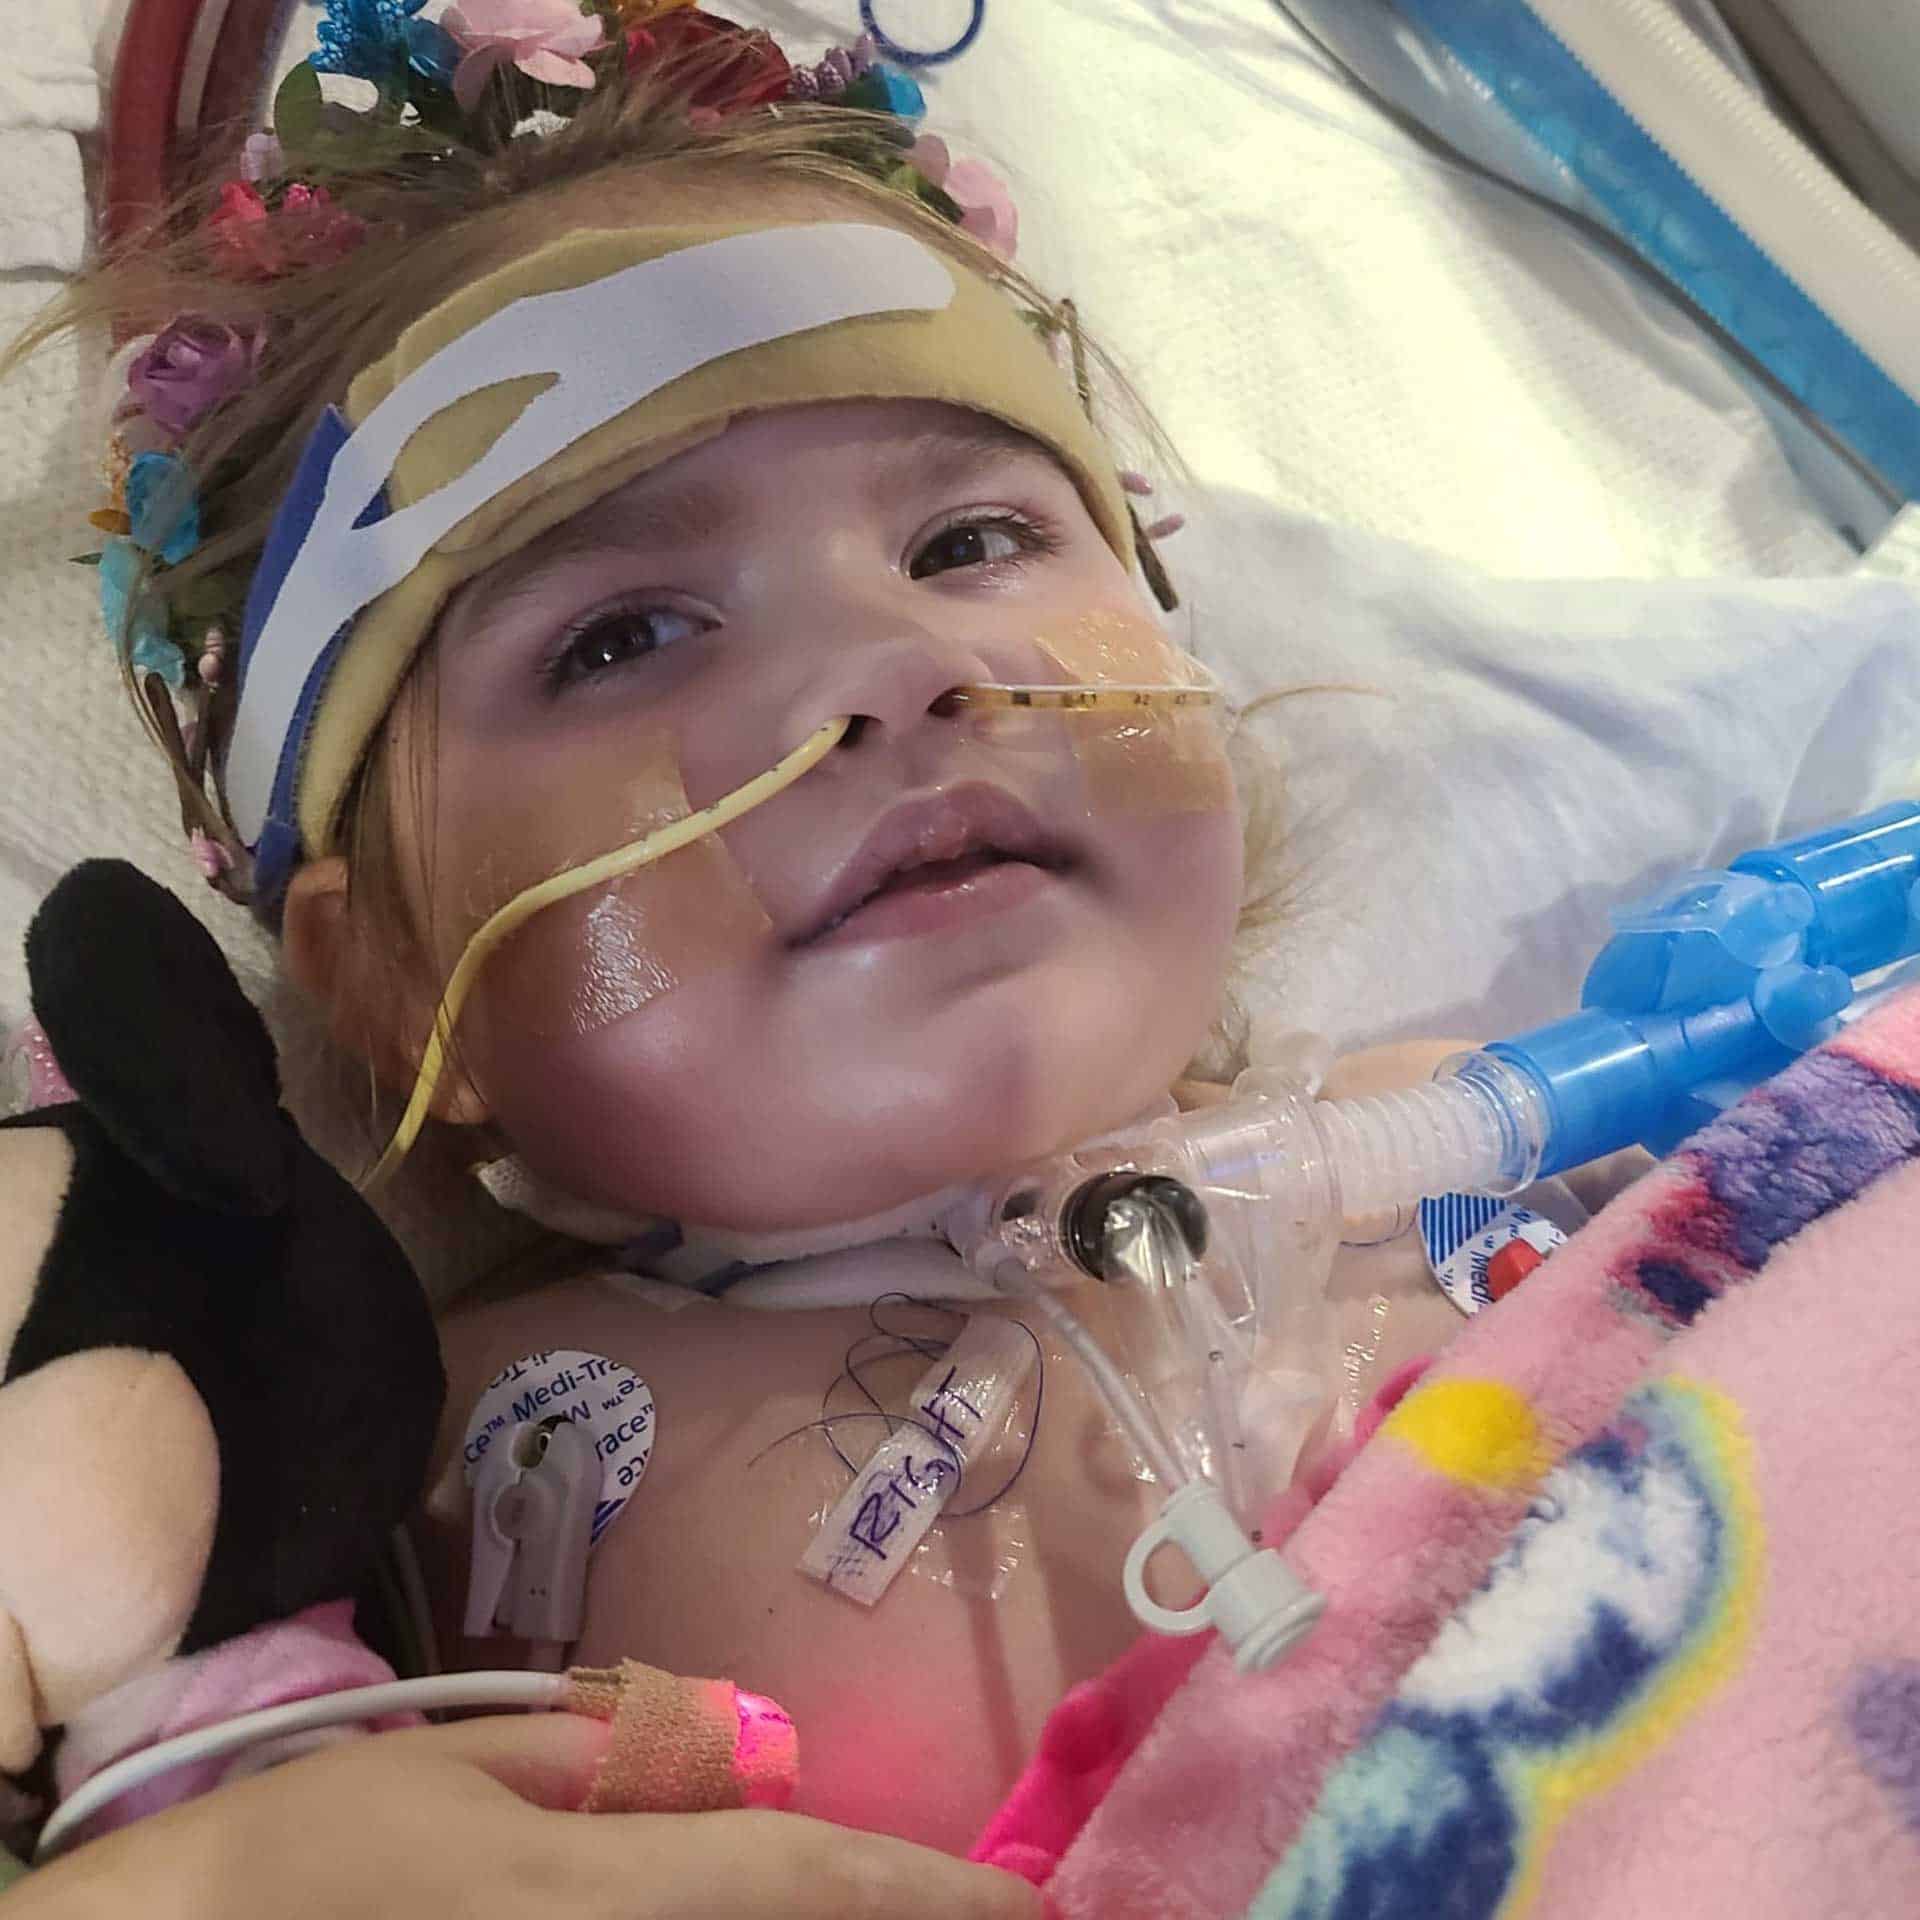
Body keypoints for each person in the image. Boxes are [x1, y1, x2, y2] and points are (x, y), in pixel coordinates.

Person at [5, 10, 1475, 1908]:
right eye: (622, 637)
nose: (893, 661)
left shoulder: (1521, 1136)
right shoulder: (410, 1465)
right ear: (381, 982)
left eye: (971, 536)